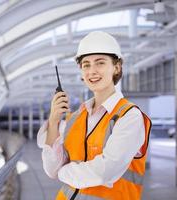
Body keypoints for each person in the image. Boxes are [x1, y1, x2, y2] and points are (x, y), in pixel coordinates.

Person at [37, 31, 152, 200]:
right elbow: (51, 168)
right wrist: (54, 122)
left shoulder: (129, 116)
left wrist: (63, 172)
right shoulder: (76, 118)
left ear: (116, 67)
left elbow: (105, 171)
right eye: (86, 65)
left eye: (100, 63)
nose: (92, 71)